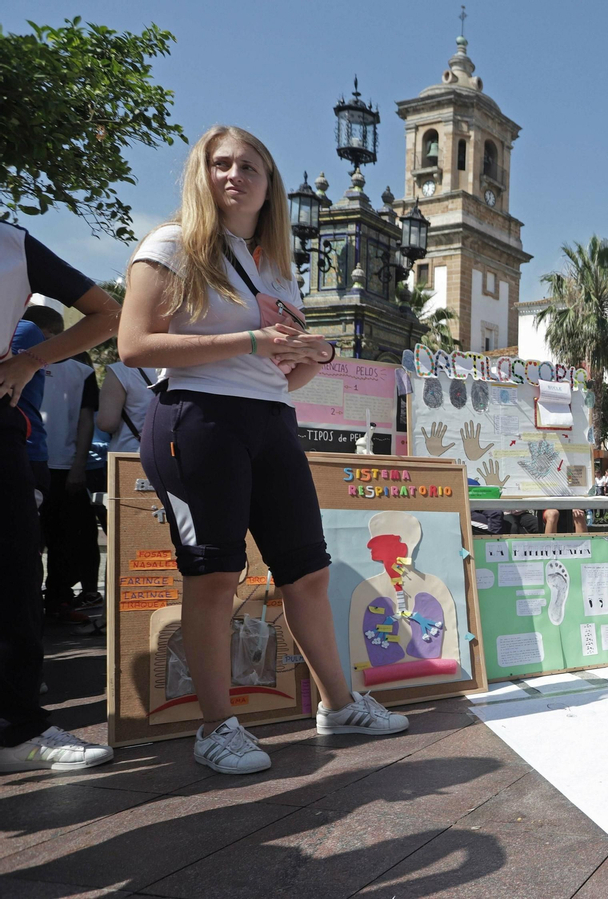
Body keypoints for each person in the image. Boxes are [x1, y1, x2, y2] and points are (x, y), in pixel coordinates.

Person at [120, 125, 407, 774]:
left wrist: (319, 353)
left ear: (269, 184)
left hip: (271, 421)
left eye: (249, 166)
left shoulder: (277, 265)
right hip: (196, 420)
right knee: (215, 575)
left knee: (308, 572)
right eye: (220, 163)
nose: (234, 175)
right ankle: (216, 725)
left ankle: (338, 705)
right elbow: (133, 345)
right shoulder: (170, 246)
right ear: (201, 173)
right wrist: (250, 341)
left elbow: (288, 371)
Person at [0, 221, 119, 773]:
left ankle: (16, 729)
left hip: (14, 435)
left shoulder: (12, 242)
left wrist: (30, 360)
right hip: (46, 455)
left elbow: (107, 312)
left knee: (15, 575)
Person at [29, 307, 103, 619]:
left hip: (62, 467)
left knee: (64, 539)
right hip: (28, 463)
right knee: (29, 539)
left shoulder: (81, 373)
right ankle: (28, 601)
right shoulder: (15, 364)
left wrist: (78, 466)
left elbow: (87, 422)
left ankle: (58, 598)